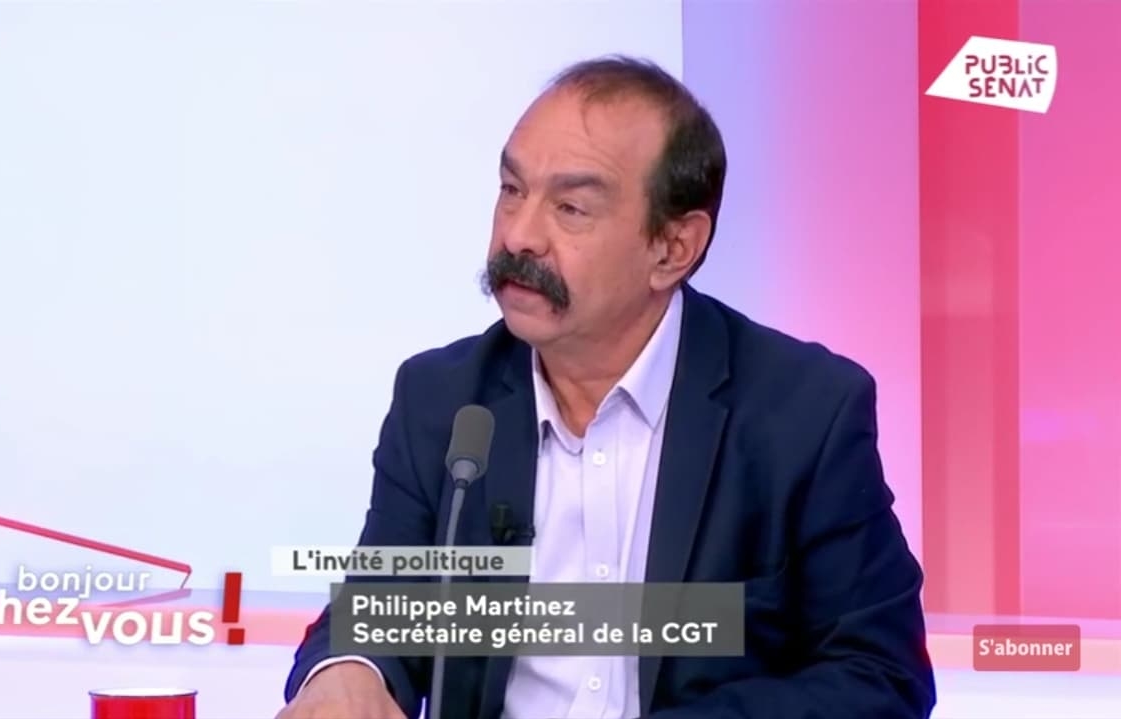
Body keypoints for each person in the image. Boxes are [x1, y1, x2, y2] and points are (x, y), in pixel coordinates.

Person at [277, 55, 935, 719]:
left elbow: (878, 674)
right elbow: (378, 612)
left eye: (570, 207)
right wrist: (348, 672)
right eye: (511, 189)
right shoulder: (445, 401)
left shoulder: (802, 413)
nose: (518, 235)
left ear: (672, 248)